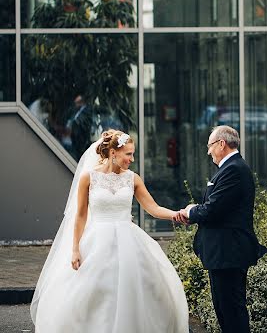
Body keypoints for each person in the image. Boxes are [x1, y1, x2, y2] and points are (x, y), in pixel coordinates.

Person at [31, 129, 189, 333]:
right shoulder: (89, 177)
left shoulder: (133, 178)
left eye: (133, 154)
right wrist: (75, 249)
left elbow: (153, 208)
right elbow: (80, 216)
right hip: (96, 241)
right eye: (128, 154)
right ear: (113, 153)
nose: (132, 159)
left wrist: (176, 214)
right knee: (94, 291)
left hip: (129, 241)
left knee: (133, 289)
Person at [174, 125, 267, 333]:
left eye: (210, 146)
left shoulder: (233, 169)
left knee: (231, 312)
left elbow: (213, 209)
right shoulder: (230, 168)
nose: (208, 151)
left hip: (229, 253)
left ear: (221, 144)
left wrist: (191, 211)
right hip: (224, 253)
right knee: (225, 311)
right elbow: (217, 208)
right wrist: (194, 214)